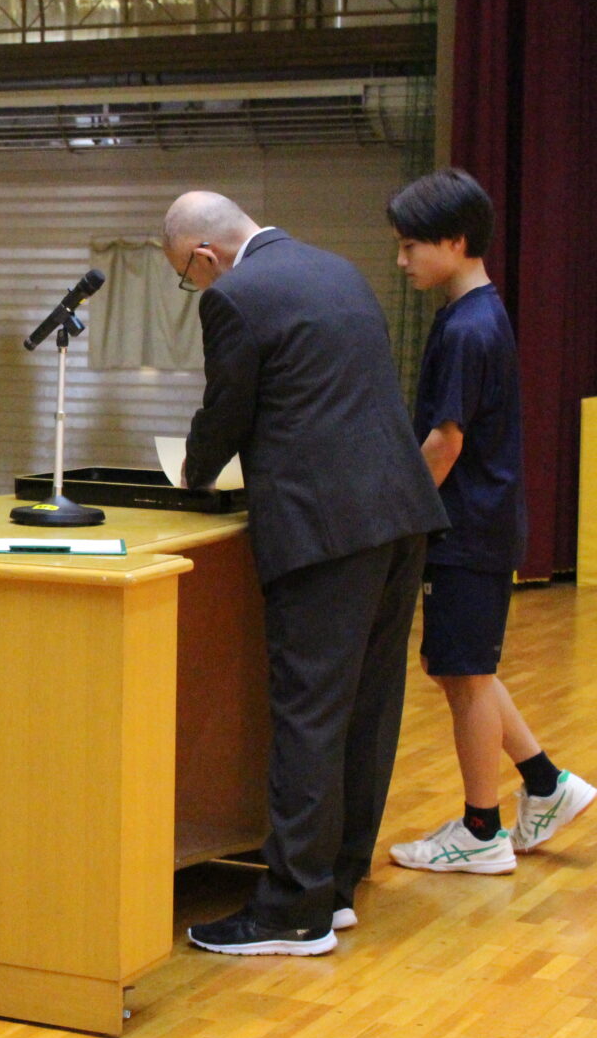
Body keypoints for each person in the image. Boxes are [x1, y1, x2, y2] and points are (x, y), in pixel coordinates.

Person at [164, 191, 448, 957]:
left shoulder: (238, 298)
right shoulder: (338, 271)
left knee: (309, 712)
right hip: (400, 514)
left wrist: (188, 477)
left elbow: (227, 410)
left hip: (325, 528)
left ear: (203, 258)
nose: (198, 291)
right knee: (367, 706)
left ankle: (292, 909)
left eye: (189, 279)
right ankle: (335, 882)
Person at [384, 169, 593, 872]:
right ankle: (545, 783)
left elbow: (446, 442)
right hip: (480, 524)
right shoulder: (471, 313)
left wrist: (396, 514)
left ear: (456, 240)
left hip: (466, 527)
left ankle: (480, 831)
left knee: (464, 674)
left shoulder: (470, 327)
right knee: (460, 668)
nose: (403, 259)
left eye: (412, 245)